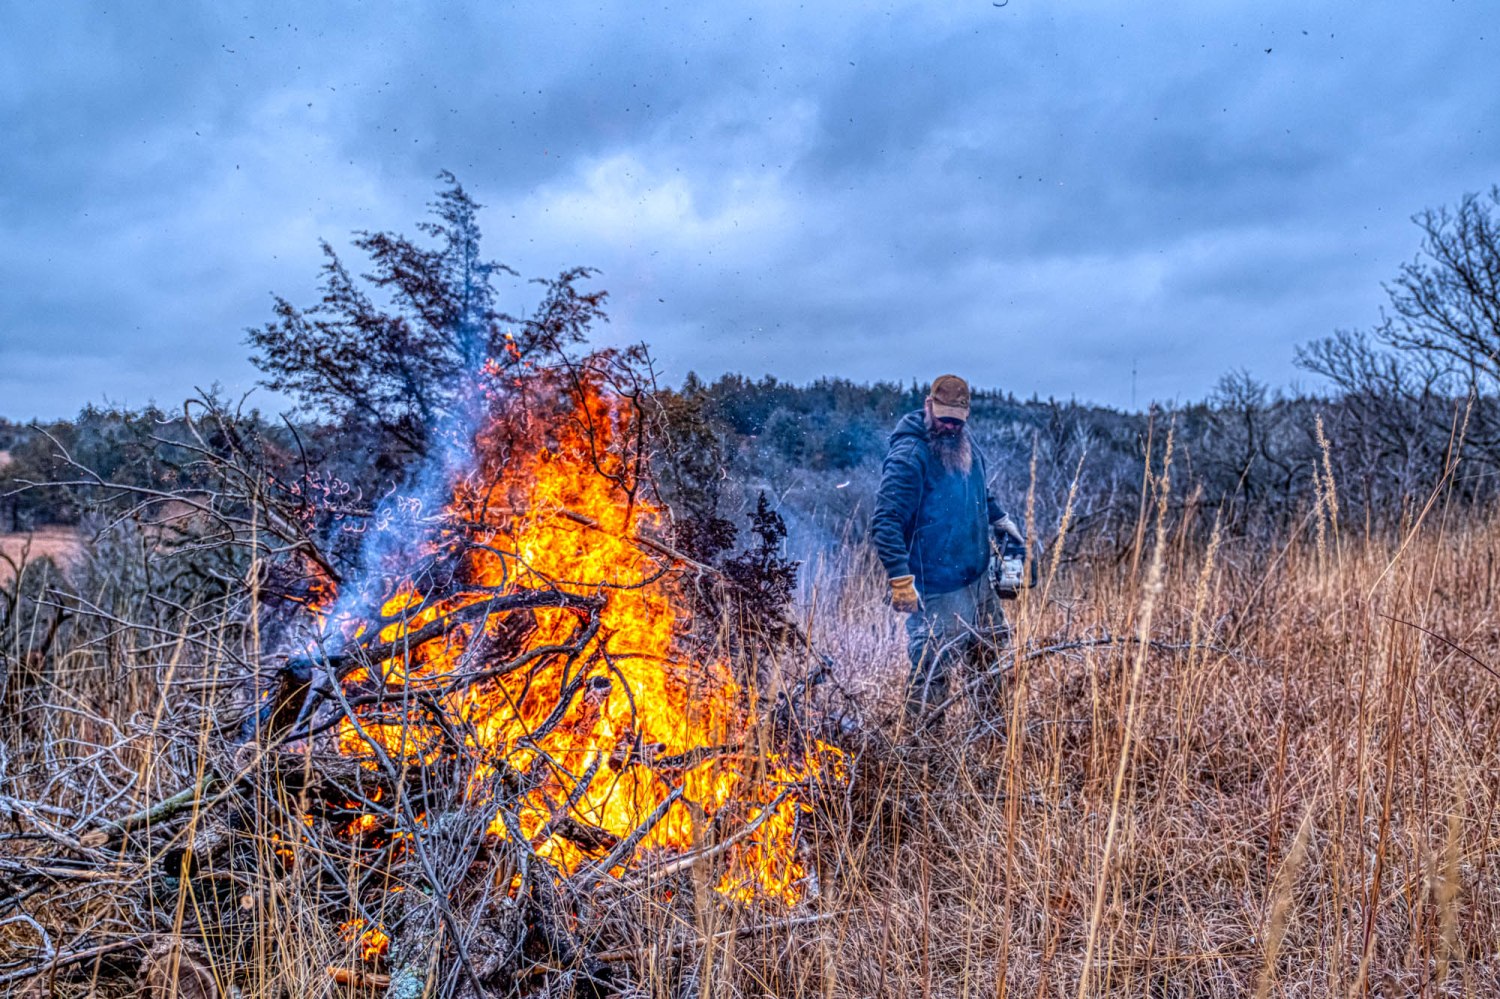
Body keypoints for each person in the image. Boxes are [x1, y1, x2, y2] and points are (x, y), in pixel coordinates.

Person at [869, 374, 1022, 722]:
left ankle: (992, 737)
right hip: (936, 588)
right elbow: (886, 522)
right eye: (944, 418)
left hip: (977, 580)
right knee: (932, 674)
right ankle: (920, 749)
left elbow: (977, 490)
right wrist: (900, 579)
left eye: (957, 420)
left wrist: (1000, 519)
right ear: (929, 406)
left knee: (991, 661)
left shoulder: (966, 444)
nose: (950, 426)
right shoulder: (910, 456)